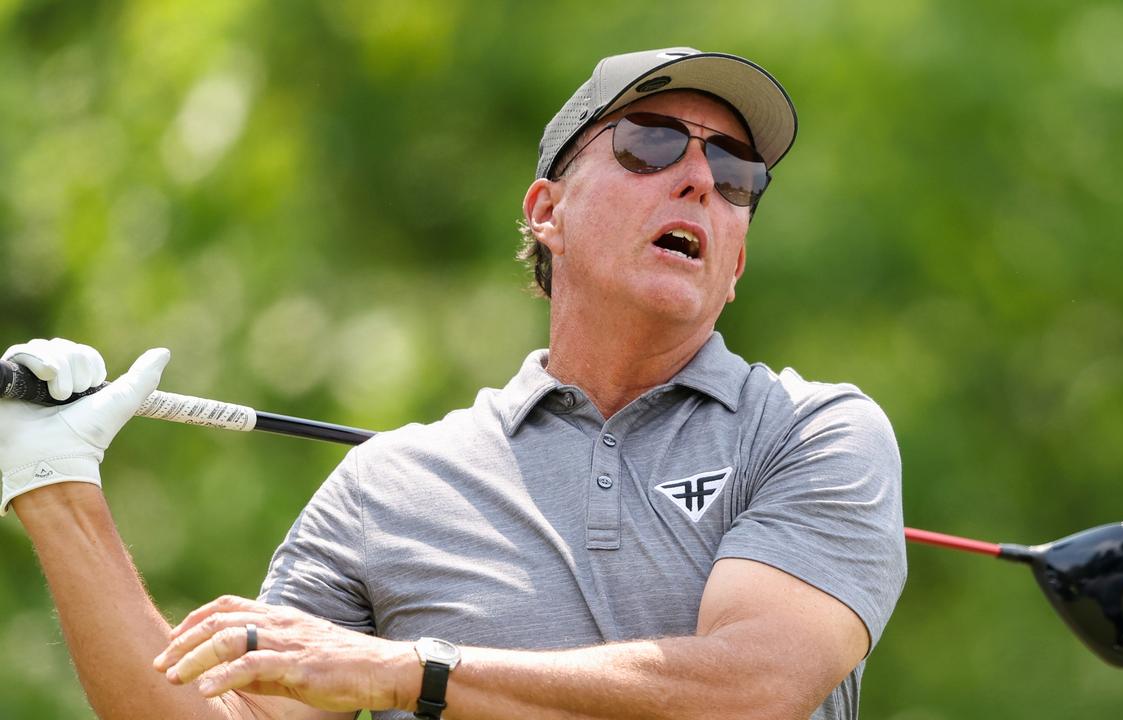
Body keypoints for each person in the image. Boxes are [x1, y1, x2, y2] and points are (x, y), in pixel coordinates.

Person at [0, 47, 905, 720]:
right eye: (650, 143)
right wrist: (56, 491)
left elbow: (750, 690)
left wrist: (411, 670)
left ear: (738, 257)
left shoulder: (812, 431)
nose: (702, 178)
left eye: (738, 172)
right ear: (548, 211)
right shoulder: (389, 488)